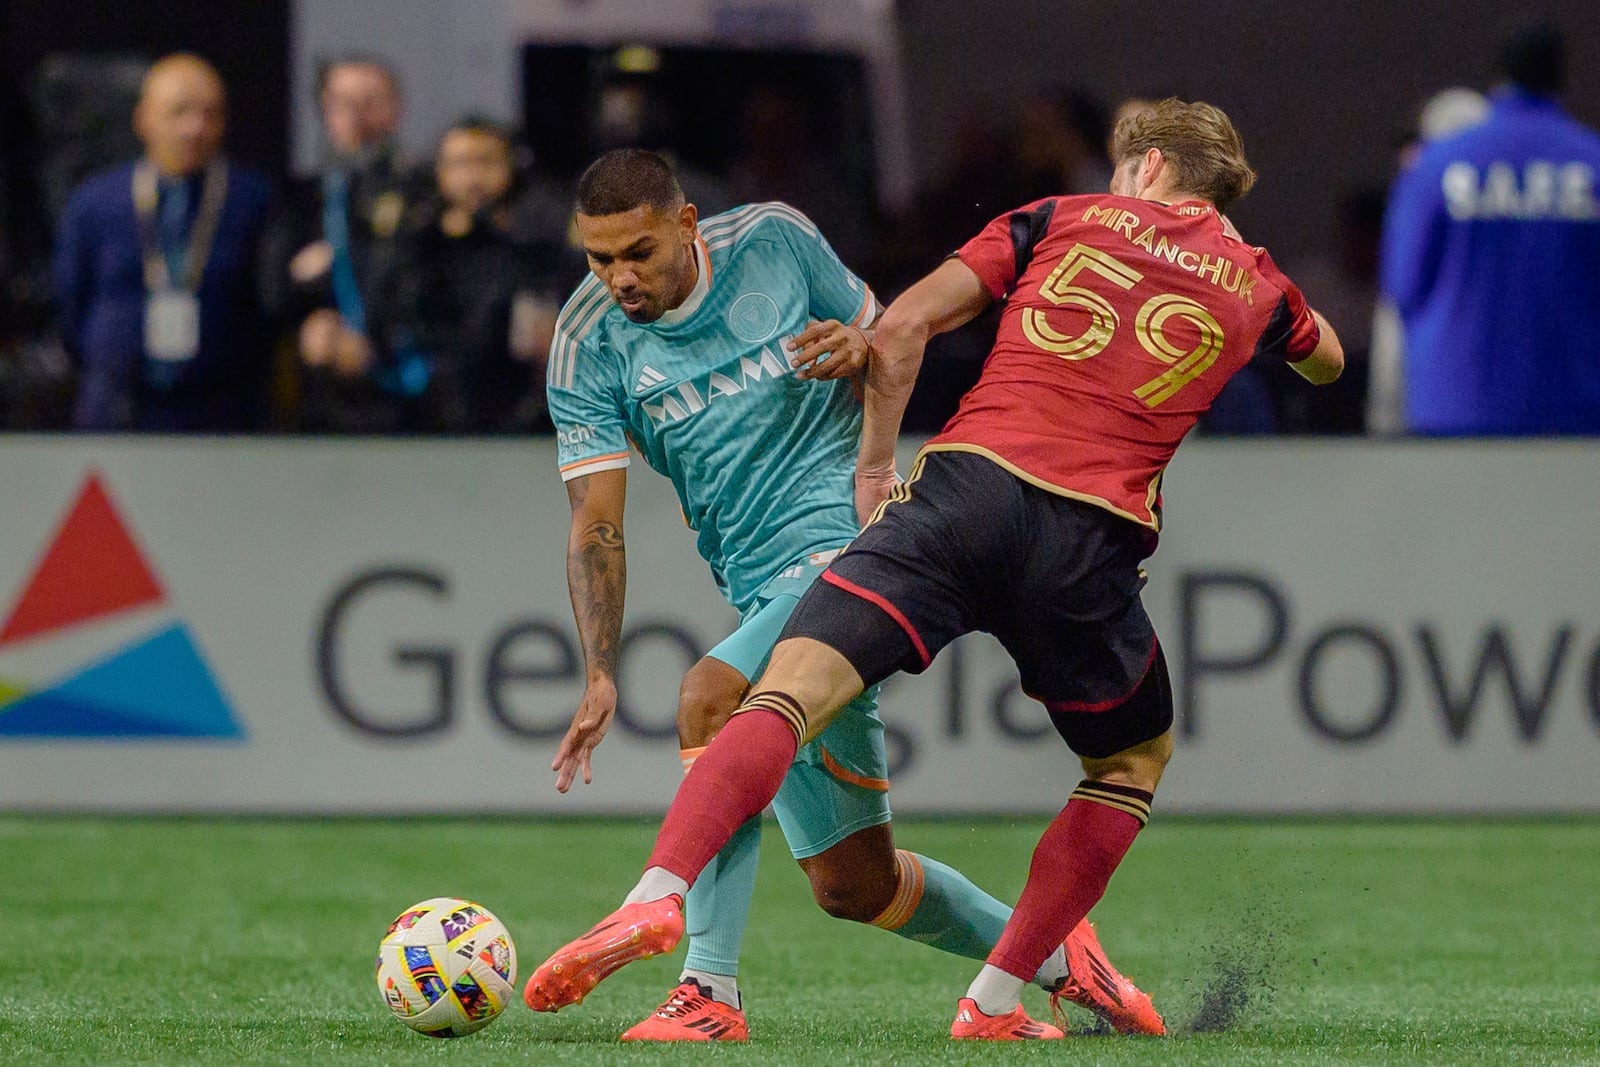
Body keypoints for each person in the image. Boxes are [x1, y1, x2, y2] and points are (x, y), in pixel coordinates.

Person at [527, 101, 1344, 1039]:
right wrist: (597, 666)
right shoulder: (586, 339)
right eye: (599, 260)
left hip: (888, 517)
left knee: (717, 693)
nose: (619, 278)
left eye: (637, 253)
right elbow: (1325, 358)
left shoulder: (813, 238)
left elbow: (894, 330)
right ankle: (1049, 957)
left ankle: (700, 980)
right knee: (855, 885)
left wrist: (871, 452)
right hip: (1040, 540)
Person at [1380, 21, 1600, 434]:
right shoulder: (1592, 165)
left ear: (1499, 78)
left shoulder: (1434, 168)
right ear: (1560, 78)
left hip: (1454, 418)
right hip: (1579, 425)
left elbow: (1402, 288)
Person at [52, 54, 275, 431]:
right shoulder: (95, 201)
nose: (195, 127)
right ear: (144, 118)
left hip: (221, 412)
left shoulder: (251, 199)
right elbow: (71, 306)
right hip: (117, 410)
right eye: (179, 112)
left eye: (210, 114)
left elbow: (266, 308)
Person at [368, 118, 565, 432]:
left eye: (485, 162)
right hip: (425, 412)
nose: (474, 177)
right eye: (460, 164)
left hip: (524, 416)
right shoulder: (419, 241)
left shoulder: (539, 238)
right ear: (440, 172)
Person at [264, 55, 420, 431]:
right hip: (323, 397)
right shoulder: (301, 199)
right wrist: (311, 320)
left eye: (371, 101)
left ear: (396, 108)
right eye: (343, 103)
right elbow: (271, 292)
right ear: (325, 111)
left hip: (411, 393)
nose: (358, 116)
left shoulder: (422, 193)